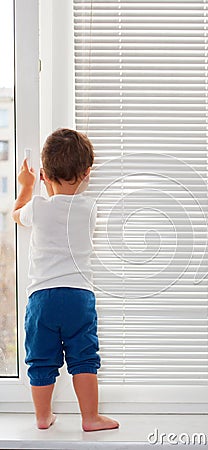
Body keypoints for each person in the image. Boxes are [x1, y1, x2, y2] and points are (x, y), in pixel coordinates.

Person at [12, 128, 119, 432]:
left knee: (41, 361)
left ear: (44, 174)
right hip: (78, 297)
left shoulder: (38, 208)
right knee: (84, 358)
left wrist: (27, 186)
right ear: (87, 174)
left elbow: (17, 214)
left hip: (42, 299)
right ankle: (90, 418)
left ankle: (43, 417)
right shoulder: (90, 209)